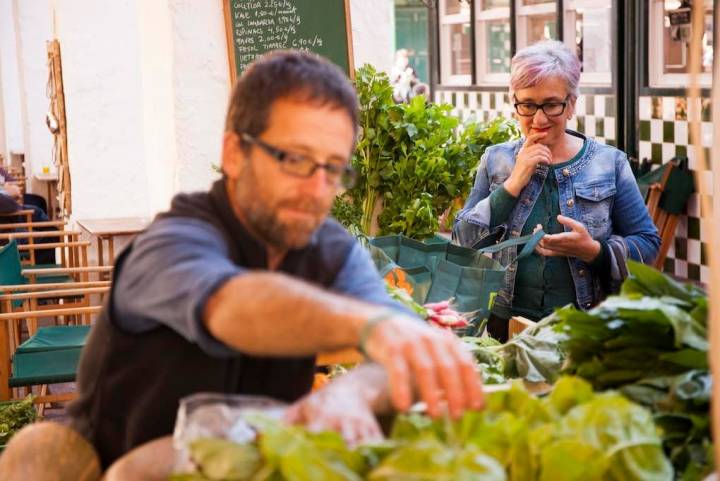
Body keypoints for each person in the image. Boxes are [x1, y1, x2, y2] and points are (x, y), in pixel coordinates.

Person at [67, 50, 484, 469]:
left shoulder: (331, 251)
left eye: (334, 168)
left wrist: (352, 392)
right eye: (295, 159)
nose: (318, 189)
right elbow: (234, 307)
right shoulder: (171, 243)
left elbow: (403, 348)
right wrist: (372, 325)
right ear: (234, 153)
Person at [453, 40, 660, 341]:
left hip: (582, 328)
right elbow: (462, 242)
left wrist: (593, 251)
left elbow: (648, 245)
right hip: (504, 327)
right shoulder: (496, 159)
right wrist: (513, 184)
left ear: (572, 104)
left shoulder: (608, 163)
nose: (538, 119)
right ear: (514, 104)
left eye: (551, 104)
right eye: (527, 104)